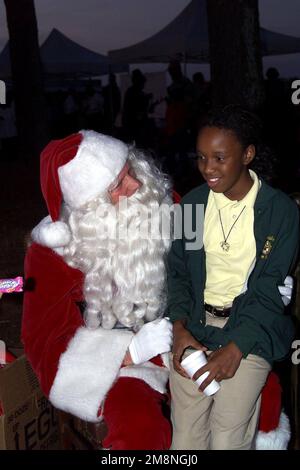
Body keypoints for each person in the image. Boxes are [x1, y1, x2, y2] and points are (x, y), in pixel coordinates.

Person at [22, 130, 173, 450]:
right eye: (117, 186)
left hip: (190, 339)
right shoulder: (53, 254)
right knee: (140, 429)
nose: (135, 185)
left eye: (130, 171)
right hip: (126, 367)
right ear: (92, 207)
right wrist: (130, 353)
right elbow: (46, 346)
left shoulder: (165, 206)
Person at [167, 105, 299, 450]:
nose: (207, 168)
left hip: (251, 330)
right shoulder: (191, 207)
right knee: (184, 441)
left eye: (219, 158)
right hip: (194, 329)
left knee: (227, 439)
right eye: (201, 157)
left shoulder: (279, 212)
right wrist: (179, 329)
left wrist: (236, 348)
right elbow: (177, 273)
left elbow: (271, 289)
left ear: (247, 154)